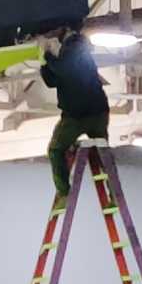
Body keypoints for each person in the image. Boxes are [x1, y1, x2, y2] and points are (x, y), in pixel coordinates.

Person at [38, 24, 111, 200]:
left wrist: (46, 55)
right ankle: (114, 192)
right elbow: (53, 80)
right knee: (103, 156)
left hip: (77, 115)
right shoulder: (74, 49)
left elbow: (63, 69)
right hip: (96, 111)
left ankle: (64, 192)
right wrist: (45, 62)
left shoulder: (76, 45)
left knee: (56, 150)